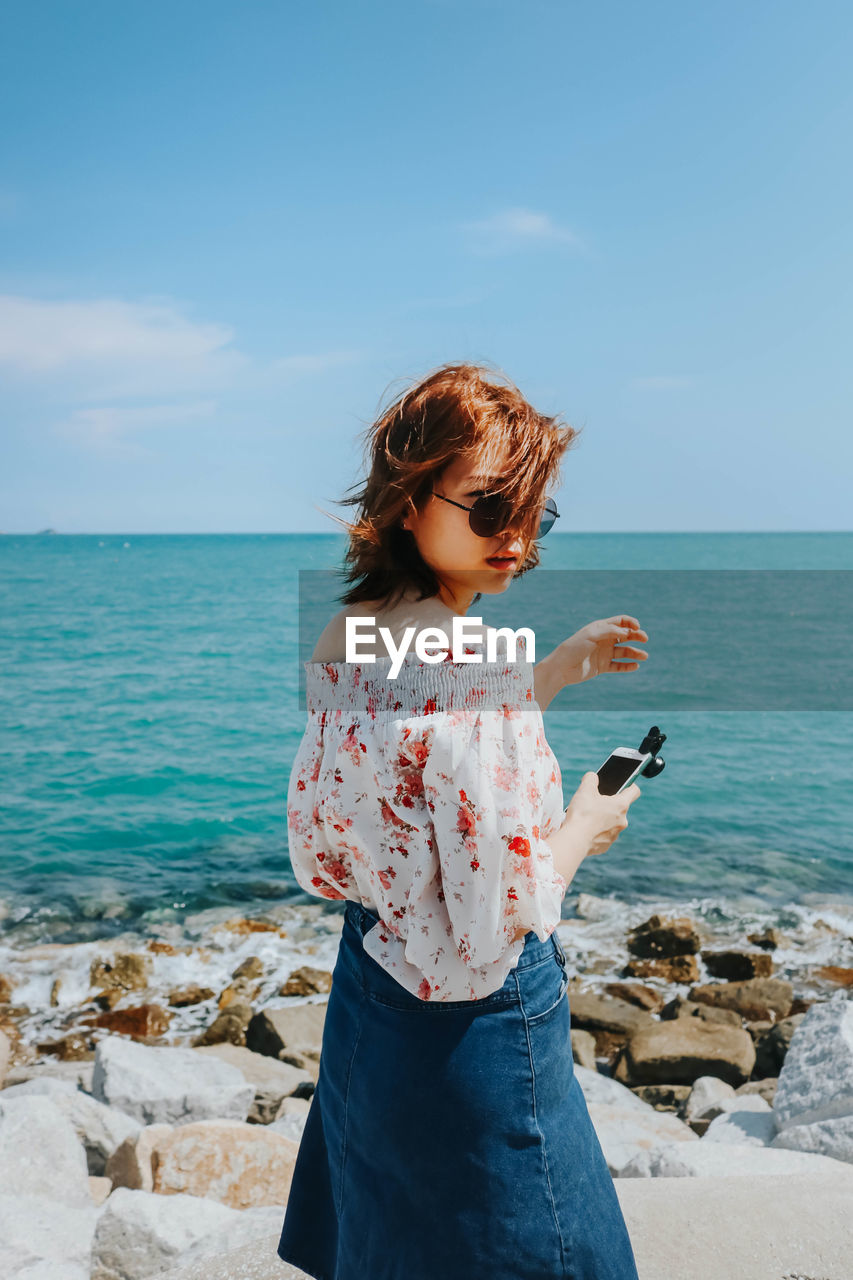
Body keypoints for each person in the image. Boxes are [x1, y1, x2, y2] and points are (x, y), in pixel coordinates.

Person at [278, 362, 646, 1279]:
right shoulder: (470, 666)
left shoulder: (347, 633)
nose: (515, 539)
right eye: (490, 508)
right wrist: (582, 826)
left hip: (370, 996)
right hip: (479, 1033)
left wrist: (553, 671)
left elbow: (414, 765)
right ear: (410, 500)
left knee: (391, 1251)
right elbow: (498, 916)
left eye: (533, 516)